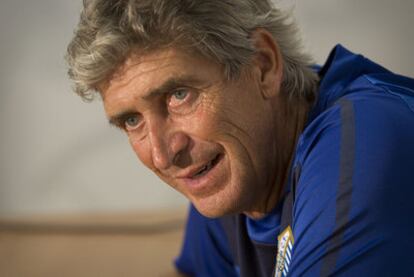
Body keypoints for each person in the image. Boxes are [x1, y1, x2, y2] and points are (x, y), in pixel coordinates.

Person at [66, 0, 414, 276]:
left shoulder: (366, 140)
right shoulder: (230, 168)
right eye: (131, 119)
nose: (162, 155)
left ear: (262, 65)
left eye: (179, 95)